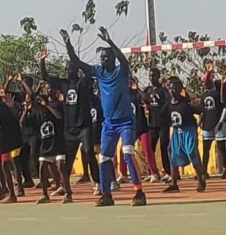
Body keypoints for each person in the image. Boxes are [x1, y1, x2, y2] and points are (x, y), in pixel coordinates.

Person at [62, 26, 145, 207]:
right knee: (104, 158)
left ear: (112, 59)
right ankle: (106, 194)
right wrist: (67, 42)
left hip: (125, 122)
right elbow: (76, 61)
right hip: (108, 124)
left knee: (127, 153)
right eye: (101, 57)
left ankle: (139, 192)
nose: (102, 59)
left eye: (106, 57)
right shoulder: (98, 72)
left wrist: (109, 41)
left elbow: (123, 60)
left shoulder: (121, 71)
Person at [40, 46, 99, 190]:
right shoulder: (63, 84)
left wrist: (72, 53)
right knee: (67, 158)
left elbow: (88, 73)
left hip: (84, 126)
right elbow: (46, 77)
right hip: (70, 128)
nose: (68, 70)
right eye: (67, 68)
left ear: (76, 69)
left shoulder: (83, 82)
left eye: (71, 68)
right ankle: (65, 187)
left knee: (89, 153)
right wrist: (42, 61)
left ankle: (98, 183)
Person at [162, 77, 208, 193]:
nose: (172, 90)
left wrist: (200, 122)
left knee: (192, 153)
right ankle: (174, 183)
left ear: (180, 89)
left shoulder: (186, 103)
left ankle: (201, 180)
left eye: (174, 88)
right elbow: (163, 115)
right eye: (170, 88)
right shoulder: (168, 104)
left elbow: (202, 110)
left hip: (188, 130)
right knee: (172, 152)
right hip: (177, 131)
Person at [144, 68, 171, 182]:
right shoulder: (149, 90)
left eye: (154, 75)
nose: (151, 78)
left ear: (158, 76)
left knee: (164, 147)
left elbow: (167, 103)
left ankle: (169, 172)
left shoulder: (163, 90)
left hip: (163, 123)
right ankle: (152, 172)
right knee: (150, 148)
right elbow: (144, 100)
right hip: (152, 124)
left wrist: (160, 107)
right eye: (150, 75)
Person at [130, 78, 158, 181]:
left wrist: (138, 89)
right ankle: (123, 174)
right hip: (130, 128)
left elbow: (146, 99)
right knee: (124, 151)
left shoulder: (138, 94)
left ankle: (154, 173)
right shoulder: (124, 95)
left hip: (142, 127)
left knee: (147, 150)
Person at [199, 75, 223, 177]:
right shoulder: (204, 95)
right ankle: (204, 170)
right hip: (207, 123)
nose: (204, 84)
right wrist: (200, 121)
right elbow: (202, 110)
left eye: (206, 81)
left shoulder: (218, 93)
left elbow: (223, 107)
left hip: (218, 123)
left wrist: (221, 121)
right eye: (203, 82)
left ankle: (225, 169)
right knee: (206, 149)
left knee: (222, 148)